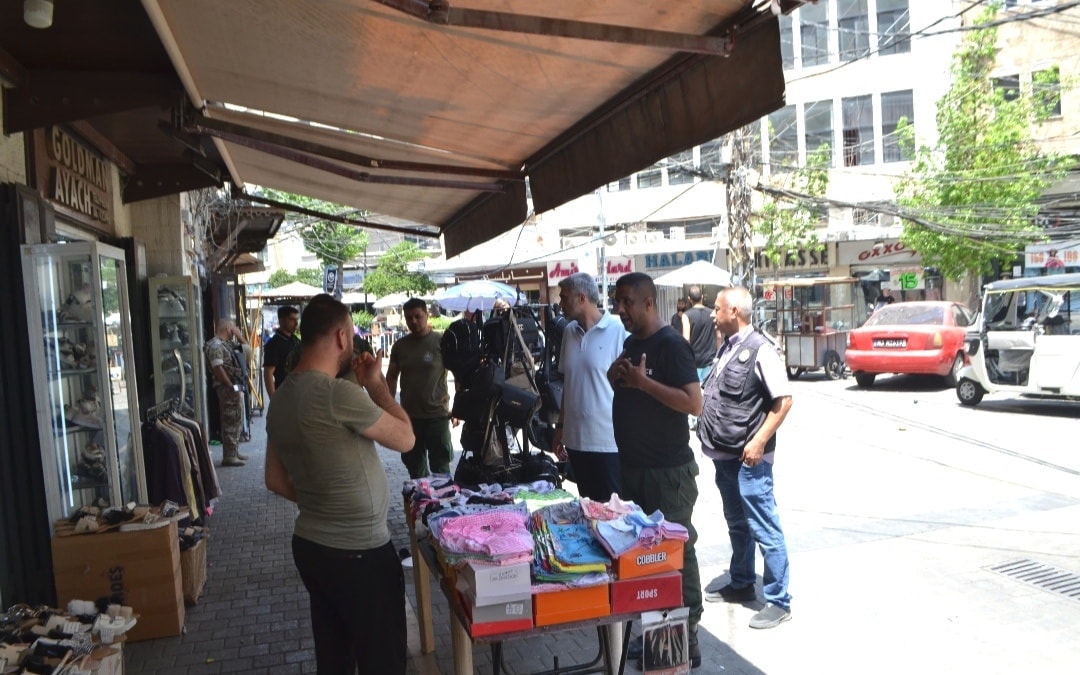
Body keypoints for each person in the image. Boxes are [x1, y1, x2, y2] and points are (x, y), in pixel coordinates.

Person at [264, 293, 415, 674]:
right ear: (341, 337)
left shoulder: (280, 400)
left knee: (334, 659)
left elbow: (274, 479)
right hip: (360, 552)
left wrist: (321, 503)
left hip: (312, 548)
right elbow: (406, 439)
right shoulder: (337, 394)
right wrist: (376, 385)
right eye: (351, 334)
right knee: (383, 662)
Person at [607, 273, 704, 669]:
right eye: (618, 301)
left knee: (677, 550)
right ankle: (657, 632)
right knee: (647, 555)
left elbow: (694, 403)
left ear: (649, 303)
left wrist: (643, 383)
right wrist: (617, 378)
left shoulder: (672, 345)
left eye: (627, 302)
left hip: (667, 472)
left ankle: (688, 633)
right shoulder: (633, 344)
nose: (620, 309)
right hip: (635, 467)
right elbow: (628, 388)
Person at [699, 286, 794, 630]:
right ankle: (741, 582)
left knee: (764, 527)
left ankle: (778, 600)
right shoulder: (727, 347)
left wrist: (759, 441)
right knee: (738, 525)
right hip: (725, 456)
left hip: (750, 461)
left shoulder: (761, 349)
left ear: (734, 312)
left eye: (717, 308)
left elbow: (784, 400)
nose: (713, 314)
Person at [552, 272, 628, 501]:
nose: (561, 304)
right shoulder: (569, 332)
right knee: (588, 509)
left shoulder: (618, 331)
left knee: (612, 511)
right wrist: (560, 428)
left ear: (582, 298)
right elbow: (569, 384)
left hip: (608, 442)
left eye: (565, 298)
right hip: (575, 441)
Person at [386, 298, 454, 478]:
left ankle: (442, 497)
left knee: (441, 470)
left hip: (437, 416)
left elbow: (458, 372)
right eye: (409, 318)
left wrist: (459, 409)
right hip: (409, 418)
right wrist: (388, 405)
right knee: (415, 470)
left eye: (418, 316)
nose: (414, 321)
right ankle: (421, 496)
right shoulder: (400, 346)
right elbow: (391, 376)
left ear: (427, 314)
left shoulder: (441, 341)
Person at [203, 319, 248, 466]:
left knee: (237, 418)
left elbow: (248, 352)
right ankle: (229, 455)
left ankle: (234, 451)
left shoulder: (227, 344)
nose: (236, 330)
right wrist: (229, 385)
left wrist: (240, 336)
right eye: (234, 328)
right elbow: (218, 367)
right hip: (226, 387)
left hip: (234, 385)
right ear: (228, 328)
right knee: (231, 418)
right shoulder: (215, 345)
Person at [685, 286, 717, 430]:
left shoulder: (687, 315)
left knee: (694, 391)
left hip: (694, 359)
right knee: (709, 389)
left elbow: (686, 339)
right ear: (702, 297)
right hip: (710, 357)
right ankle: (707, 417)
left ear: (689, 299)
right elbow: (718, 335)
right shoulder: (712, 314)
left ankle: (694, 420)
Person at [262, 306, 300, 398]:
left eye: (296, 320)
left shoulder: (295, 340)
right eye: (292, 320)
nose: (296, 323)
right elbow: (268, 373)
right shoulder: (273, 344)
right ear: (281, 320)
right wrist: (273, 399)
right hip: (284, 393)